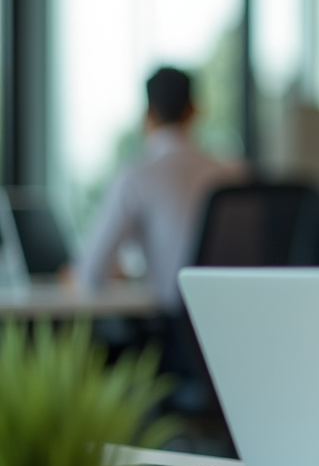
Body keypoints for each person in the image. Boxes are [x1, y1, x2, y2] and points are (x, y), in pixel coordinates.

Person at [75, 66, 246, 308]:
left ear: (147, 115)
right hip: (232, 320)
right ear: (193, 111)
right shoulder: (235, 173)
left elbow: (90, 273)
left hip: (172, 328)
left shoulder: (136, 177)